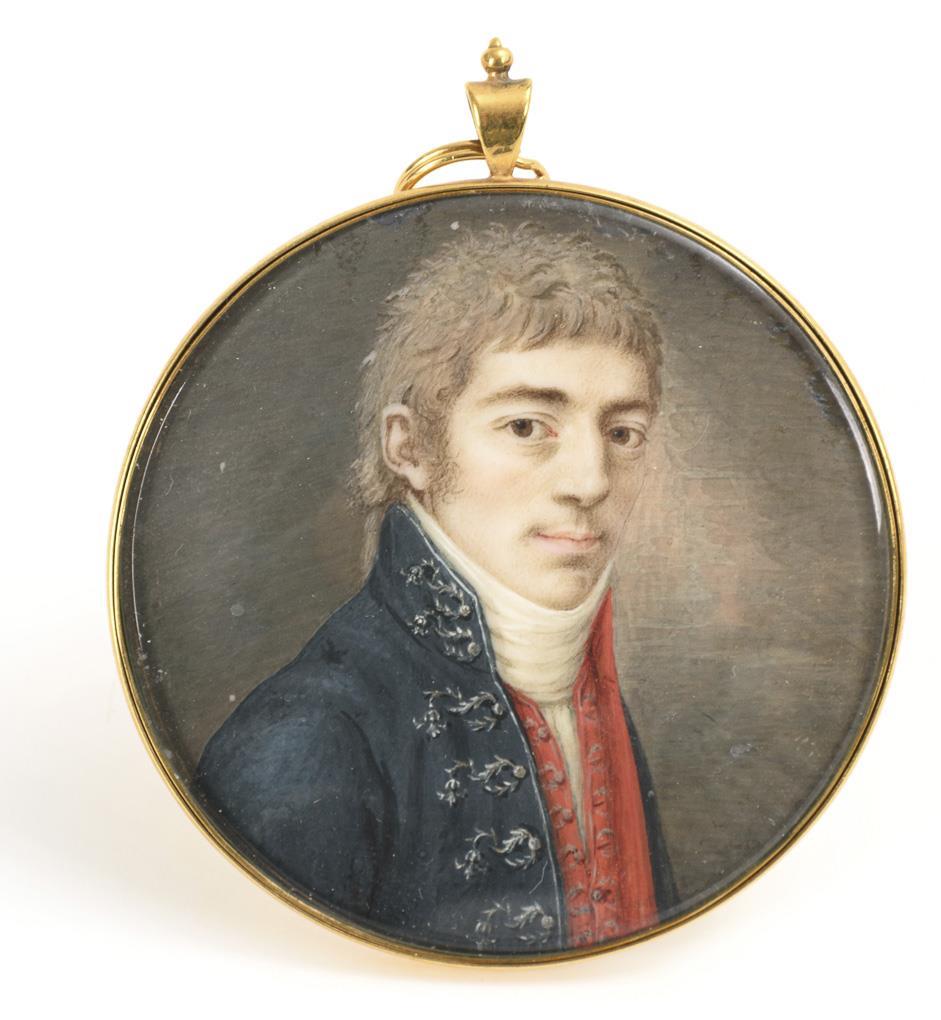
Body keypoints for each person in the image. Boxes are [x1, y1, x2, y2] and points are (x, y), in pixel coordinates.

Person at [196, 222, 677, 956]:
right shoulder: (307, 736)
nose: (589, 483)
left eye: (622, 434)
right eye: (527, 426)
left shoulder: (585, 686)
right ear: (411, 446)